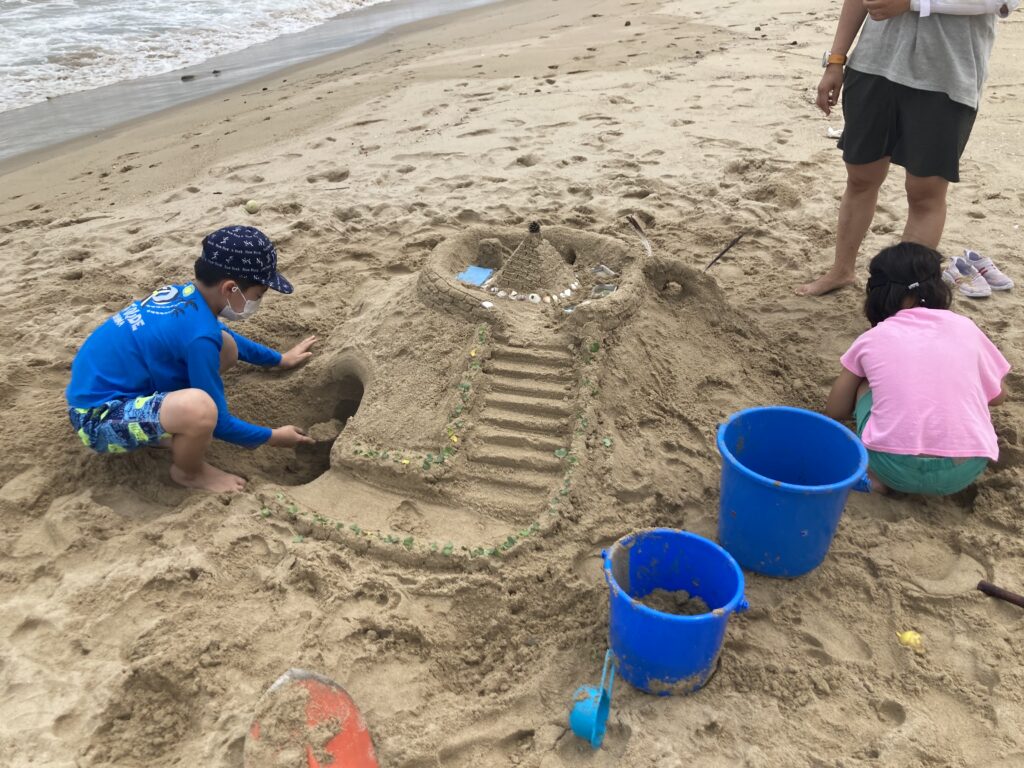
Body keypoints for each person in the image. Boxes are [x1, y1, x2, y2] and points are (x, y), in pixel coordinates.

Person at [66, 225, 317, 493]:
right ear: (231, 289)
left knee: (226, 346)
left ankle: (167, 424)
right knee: (200, 411)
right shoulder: (200, 337)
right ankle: (189, 472)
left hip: (100, 385)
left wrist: (279, 359)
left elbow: (221, 336)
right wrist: (274, 437)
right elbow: (219, 424)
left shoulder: (186, 296)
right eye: (258, 294)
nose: (258, 301)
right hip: (96, 418)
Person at [798, 0, 1015, 296]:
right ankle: (841, 270)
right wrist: (836, 59)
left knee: (924, 193)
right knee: (861, 177)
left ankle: (902, 296)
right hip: (873, 65)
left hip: (946, 76)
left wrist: (915, 3)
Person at [824, 243, 1010, 494]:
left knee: (866, 382)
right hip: (965, 469)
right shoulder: (966, 328)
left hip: (892, 466)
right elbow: (998, 397)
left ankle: (875, 478)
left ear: (878, 294)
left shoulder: (875, 337)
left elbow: (835, 410)